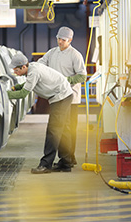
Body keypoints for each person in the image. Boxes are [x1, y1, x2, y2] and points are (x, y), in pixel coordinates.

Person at [7, 53, 73, 174]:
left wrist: (4, 94)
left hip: (61, 97)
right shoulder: (32, 68)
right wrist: (15, 88)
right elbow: (29, 84)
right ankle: (66, 163)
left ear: (23, 67)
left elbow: (23, 94)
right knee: (62, 130)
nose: (14, 72)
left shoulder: (34, 72)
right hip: (64, 94)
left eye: (16, 70)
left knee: (53, 131)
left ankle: (46, 165)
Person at [37, 26, 87, 168]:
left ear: (70, 40)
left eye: (63, 40)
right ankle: (67, 160)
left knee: (69, 129)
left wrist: (66, 80)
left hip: (71, 97)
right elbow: (41, 63)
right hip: (57, 97)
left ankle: (69, 158)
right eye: (58, 38)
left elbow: (82, 76)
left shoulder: (75, 55)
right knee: (63, 129)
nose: (60, 42)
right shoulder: (52, 53)